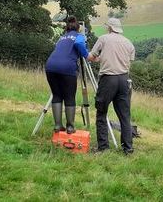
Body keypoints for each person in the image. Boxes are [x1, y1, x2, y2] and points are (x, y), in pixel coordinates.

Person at [88, 18, 135, 155]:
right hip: (124, 80)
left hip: (108, 79)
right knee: (124, 116)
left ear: (109, 28)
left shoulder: (104, 39)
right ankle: (128, 148)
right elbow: (127, 60)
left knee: (101, 112)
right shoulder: (128, 43)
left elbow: (91, 57)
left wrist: (95, 57)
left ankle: (103, 148)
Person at [45, 16, 89, 134]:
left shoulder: (61, 38)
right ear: (78, 28)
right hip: (67, 67)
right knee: (69, 97)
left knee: (57, 95)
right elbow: (80, 45)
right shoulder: (78, 36)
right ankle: (70, 127)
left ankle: (58, 125)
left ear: (67, 28)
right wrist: (86, 54)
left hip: (50, 66)